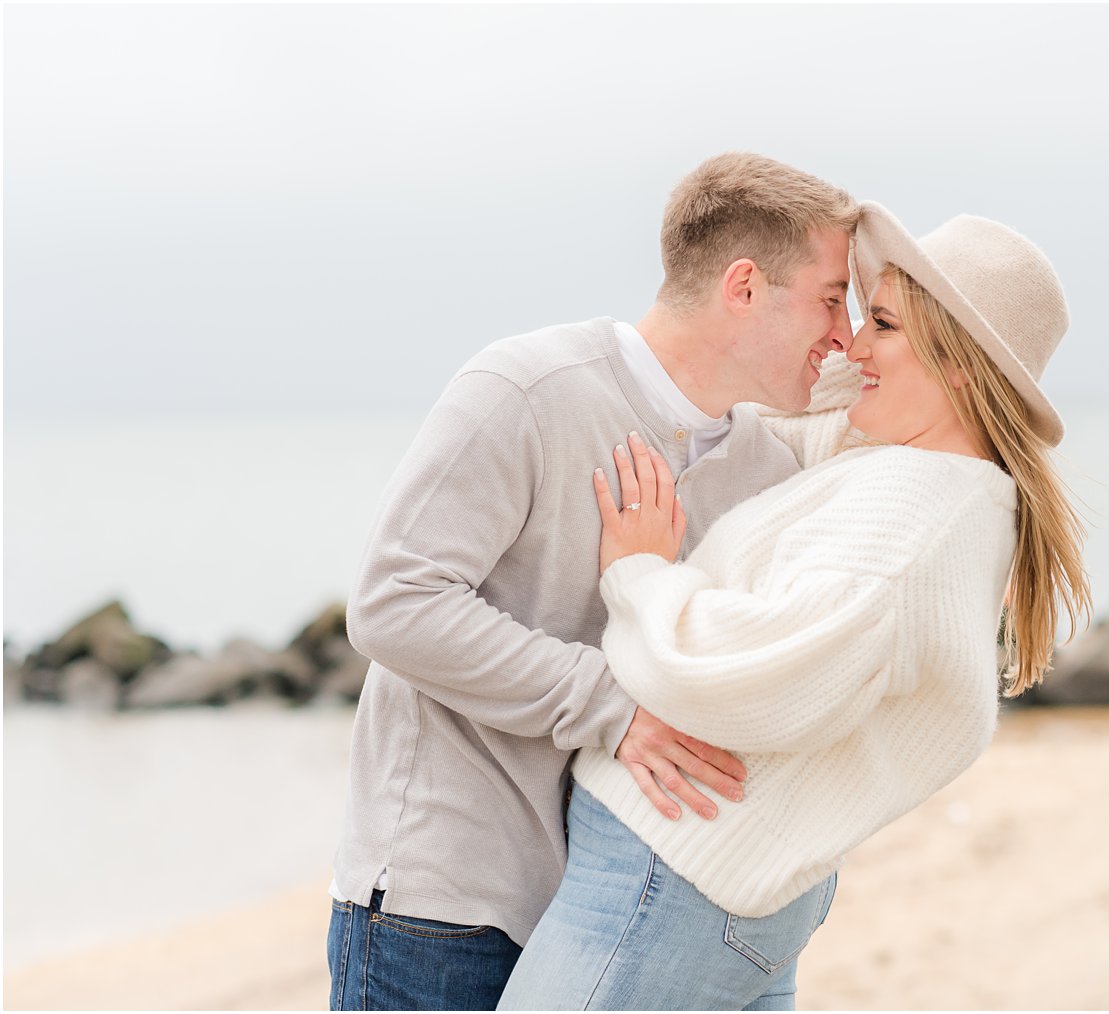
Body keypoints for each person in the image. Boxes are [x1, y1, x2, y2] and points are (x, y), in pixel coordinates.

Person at [497, 201, 1093, 1011]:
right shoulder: (895, 465)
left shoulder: (910, 521)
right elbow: (786, 409)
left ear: (959, 362)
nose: (849, 341)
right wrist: (866, 338)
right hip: (711, 880)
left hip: (669, 876)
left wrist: (639, 574)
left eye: (879, 322)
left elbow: (756, 675)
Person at [325, 153, 859, 1011]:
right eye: (833, 298)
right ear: (745, 287)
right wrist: (613, 707)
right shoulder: (528, 389)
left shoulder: (765, 468)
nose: (844, 331)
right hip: (442, 906)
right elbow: (394, 602)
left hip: (606, 921)